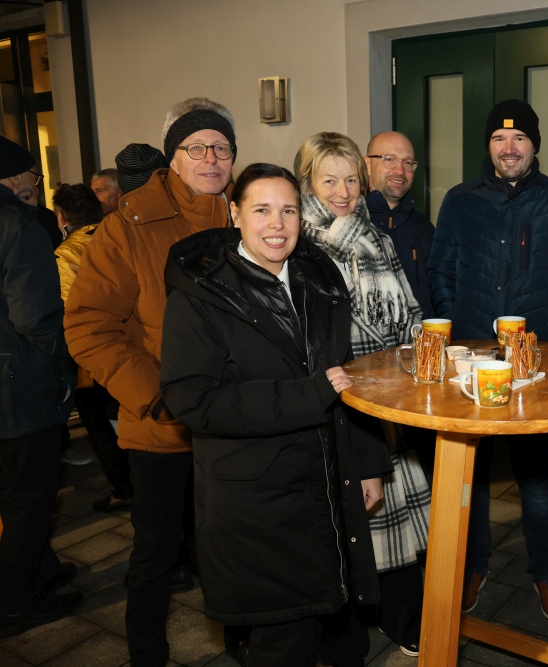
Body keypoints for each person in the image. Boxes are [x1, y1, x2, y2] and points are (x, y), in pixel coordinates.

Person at [159, 163, 392, 666]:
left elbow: (346, 375)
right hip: (257, 498)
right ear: (235, 213)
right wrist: (308, 394)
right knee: (284, 638)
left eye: (288, 211)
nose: (277, 224)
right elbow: (194, 401)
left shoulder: (317, 278)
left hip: (327, 482)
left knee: (342, 627)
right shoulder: (202, 296)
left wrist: (368, 463)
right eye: (261, 209)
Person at [64, 97, 237, 667]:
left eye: (222, 147)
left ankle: (243, 643)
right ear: (173, 157)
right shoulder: (128, 226)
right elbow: (89, 327)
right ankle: (146, 655)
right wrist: (158, 398)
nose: (211, 158)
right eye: (197, 147)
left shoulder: (246, 216)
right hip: (164, 426)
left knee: (232, 548)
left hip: (235, 425)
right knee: (157, 553)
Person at [427, 99, 548, 620]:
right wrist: (460, 330)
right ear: (489, 146)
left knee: (535, 475)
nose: (509, 147)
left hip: (531, 358)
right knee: (470, 473)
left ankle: (546, 571)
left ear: (534, 145)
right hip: (471, 357)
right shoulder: (459, 201)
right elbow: (440, 270)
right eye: (499, 139)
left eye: (519, 138)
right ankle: (473, 565)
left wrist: (545, 331)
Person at [295, 131, 429, 658]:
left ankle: (403, 617)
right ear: (307, 181)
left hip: (388, 398)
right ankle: (346, 626)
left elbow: (410, 310)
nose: (343, 191)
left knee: (397, 511)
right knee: (348, 519)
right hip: (337, 401)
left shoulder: (378, 239)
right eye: (329, 180)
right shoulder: (297, 246)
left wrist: (420, 352)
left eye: (351, 180)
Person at [0, 134, 81, 640]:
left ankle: (41, 572)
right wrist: (72, 356)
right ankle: (14, 604)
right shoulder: (18, 225)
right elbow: (36, 317)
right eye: (33, 176)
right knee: (29, 499)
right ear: (14, 178)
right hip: (19, 389)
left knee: (12, 494)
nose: (37, 185)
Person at [52, 184, 133, 511]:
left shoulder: (67, 252)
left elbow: (72, 308)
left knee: (95, 418)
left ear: (62, 217)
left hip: (95, 353)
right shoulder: (118, 234)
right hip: (133, 341)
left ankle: (123, 488)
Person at [365, 131, 435, 318]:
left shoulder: (423, 229)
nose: (400, 171)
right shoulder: (352, 227)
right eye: (389, 159)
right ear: (366, 165)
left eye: (408, 162)